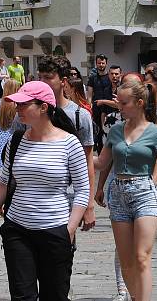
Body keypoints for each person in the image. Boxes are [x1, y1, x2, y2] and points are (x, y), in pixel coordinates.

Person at [0, 81, 89, 300]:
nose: (17, 109)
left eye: (23, 105)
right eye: (17, 104)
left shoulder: (70, 143)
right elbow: (4, 184)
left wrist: (69, 231)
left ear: (43, 107)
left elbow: (82, 190)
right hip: (18, 231)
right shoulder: (15, 142)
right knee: (22, 297)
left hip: (55, 231)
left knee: (55, 296)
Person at [94, 79, 157, 301]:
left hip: (145, 193)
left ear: (140, 103)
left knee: (141, 257)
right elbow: (101, 163)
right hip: (118, 194)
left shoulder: (156, 132)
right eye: (118, 103)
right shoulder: (115, 131)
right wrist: (74, 152)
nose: (118, 108)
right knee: (126, 261)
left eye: (123, 103)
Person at [93, 72, 144, 301]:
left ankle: (139, 292)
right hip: (119, 187)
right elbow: (105, 160)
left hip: (146, 191)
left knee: (141, 251)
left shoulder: (153, 122)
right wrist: (100, 186)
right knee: (123, 245)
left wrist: (152, 183)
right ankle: (123, 289)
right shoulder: (114, 123)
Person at [37, 55, 97, 231]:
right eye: (40, 77)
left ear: (63, 81)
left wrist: (89, 204)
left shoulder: (79, 116)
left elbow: (88, 163)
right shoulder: (30, 111)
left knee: (62, 248)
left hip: (66, 195)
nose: (42, 82)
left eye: (48, 78)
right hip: (32, 196)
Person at [87, 54, 112, 132]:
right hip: (96, 107)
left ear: (106, 64)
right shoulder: (92, 78)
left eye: (103, 63)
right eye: (99, 63)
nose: (101, 65)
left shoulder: (110, 76)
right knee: (97, 130)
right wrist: (89, 108)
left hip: (108, 107)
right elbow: (90, 95)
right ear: (96, 64)